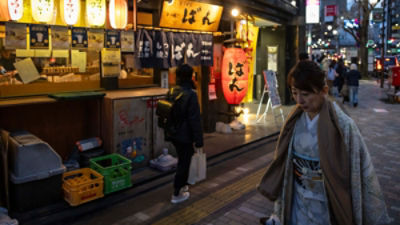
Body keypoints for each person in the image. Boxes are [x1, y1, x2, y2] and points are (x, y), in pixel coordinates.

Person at [257, 60, 391, 225]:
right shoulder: (294, 121)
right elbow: (286, 167)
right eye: (295, 92)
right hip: (298, 201)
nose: (299, 100)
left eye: (306, 94)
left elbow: (360, 170)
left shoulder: (344, 126)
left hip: (328, 203)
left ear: (324, 91)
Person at [169, 64, 203, 204]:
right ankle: (177, 193)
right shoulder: (191, 94)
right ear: (191, 76)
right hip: (185, 135)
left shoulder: (172, 91)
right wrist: (199, 140)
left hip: (173, 133)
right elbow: (195, 119)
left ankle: (182, 186)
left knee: (182, 160)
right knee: (184, 162)